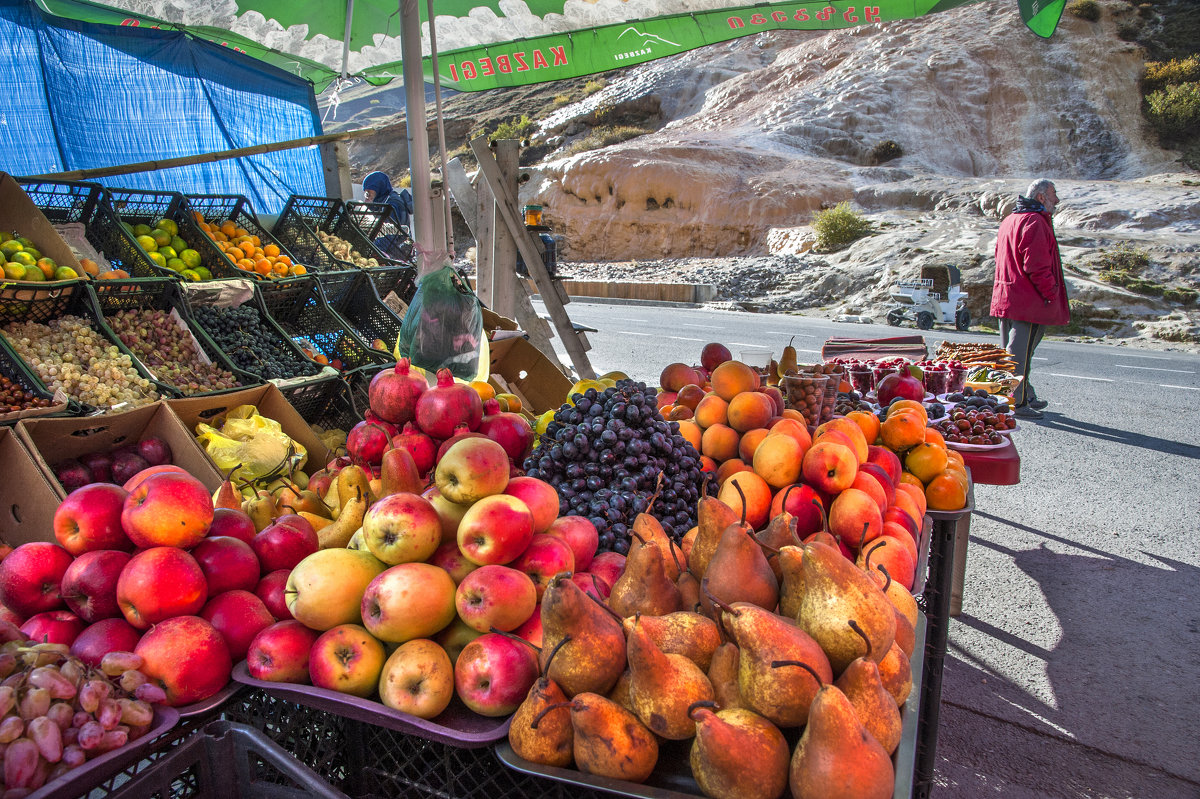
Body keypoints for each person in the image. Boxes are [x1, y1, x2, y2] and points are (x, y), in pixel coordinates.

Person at [990, 179, 1070, 419]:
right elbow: (1036, 265)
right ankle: (1017, 401)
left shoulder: (1010, 220)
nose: (1057, 199)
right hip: (1028, 300)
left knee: (1012, 352)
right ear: (1041, 197)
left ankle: (1026, 393)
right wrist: (1051, 292)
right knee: (1019, 353)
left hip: (1008, 296)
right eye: (1054, 194)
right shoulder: (1034, 222)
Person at [362, 171, 414, 260]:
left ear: (378, 188)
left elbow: (390, 233)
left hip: (396, 255)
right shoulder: (385, 202)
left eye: (369, 192)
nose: (367, 196)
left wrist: (372, 251)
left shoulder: (392, 205)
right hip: (393, 253)